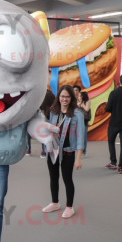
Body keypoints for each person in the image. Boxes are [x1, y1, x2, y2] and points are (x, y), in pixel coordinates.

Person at [42, 85, 84, 218]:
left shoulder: (77, 114)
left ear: (71, 97)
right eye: (62, 96)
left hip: (68, 151)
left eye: (67, 96)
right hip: (52, 150)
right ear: (58, 97)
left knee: (67, 179)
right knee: (53, 178)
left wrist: (78, 158)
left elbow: (80, 137)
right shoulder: (53, 111)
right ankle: (55, 202)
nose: (64, 99)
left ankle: (69, 207)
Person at [105, 74, 122, 174]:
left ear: (119, 81)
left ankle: (113, 163)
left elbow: (107, 109)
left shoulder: (113, 93)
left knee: (111, 142)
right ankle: (121, 167)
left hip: (114, 123)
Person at [39, 88, 55, 158]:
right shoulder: (52, 95)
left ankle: (44, 152)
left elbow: (41, 108)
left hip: (44, 117)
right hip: (52, 117)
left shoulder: (42, 95)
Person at [77, 91, 91, 158]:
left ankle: (84, 152)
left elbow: (87, 109)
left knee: (84, 137)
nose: (78, 97)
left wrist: (82, 104)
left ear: (83, 96)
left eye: (80, 96)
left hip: (84, 121)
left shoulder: (87, 101)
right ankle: (79, 151)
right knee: (78, 136)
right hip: (78, 121)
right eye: (78, 96)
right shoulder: (77, 102)